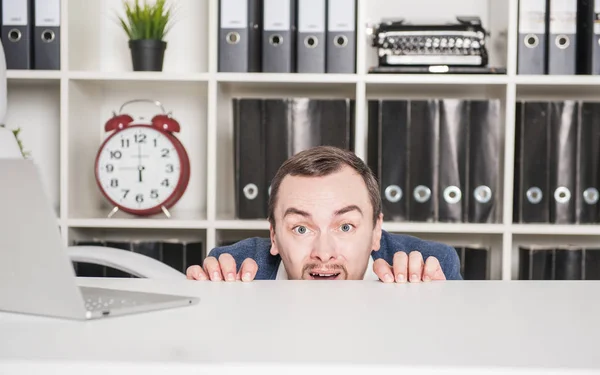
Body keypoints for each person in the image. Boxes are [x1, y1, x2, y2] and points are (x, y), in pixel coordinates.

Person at [187, 146, 462, 282]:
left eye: (345, 227)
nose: (324, 253)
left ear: (376, 231)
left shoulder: (435, 268)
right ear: (273, 235)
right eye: (301, 229)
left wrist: (433, 318)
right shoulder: (233, 270)